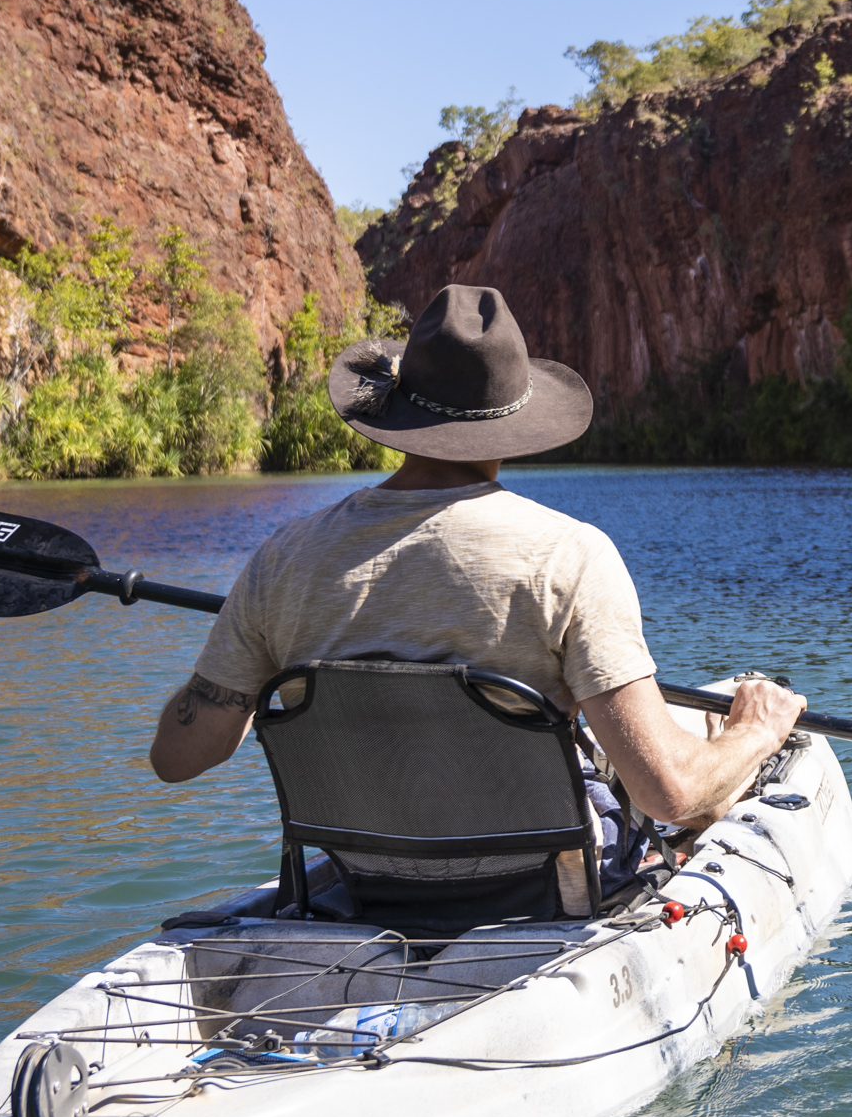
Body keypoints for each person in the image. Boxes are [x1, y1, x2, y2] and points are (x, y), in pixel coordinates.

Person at [144, 282, 802, 903]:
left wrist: (254, 651)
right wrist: (756, 732)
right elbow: (670, 791)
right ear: (514, 422)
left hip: (369, 881)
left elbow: (176, 757)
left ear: (399, 413)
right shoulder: (569, 555)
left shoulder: (280, 559)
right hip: (541, 891)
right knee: (716, 752)